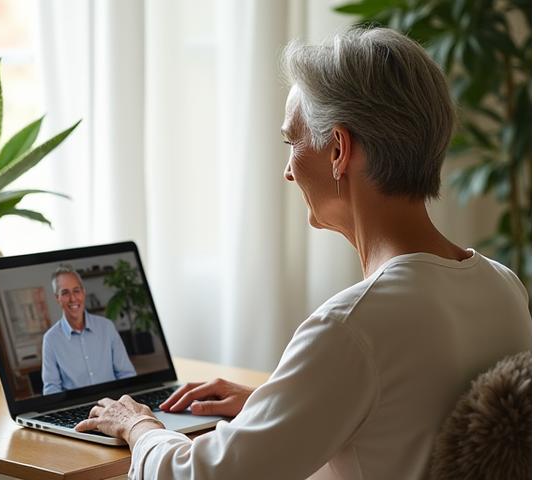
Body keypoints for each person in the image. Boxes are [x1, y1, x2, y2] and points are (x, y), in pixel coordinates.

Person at [75, 27, 531, 479]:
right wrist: (274, 403)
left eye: (292, 142)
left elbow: (201, 477)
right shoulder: (503, 286)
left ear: (338, 149)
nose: (287, 171)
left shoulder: (352, 327)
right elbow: (407, 415)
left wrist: (138, 426)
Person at [41, 265, 136, 395]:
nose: (73, 298)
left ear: (83, 292)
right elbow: (52, 388)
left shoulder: (107, 327)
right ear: (57, 298)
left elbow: (126, 374)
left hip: (115, 403)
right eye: (65, 293)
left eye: (76, 290)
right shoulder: (51, 339)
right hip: (76, 408)